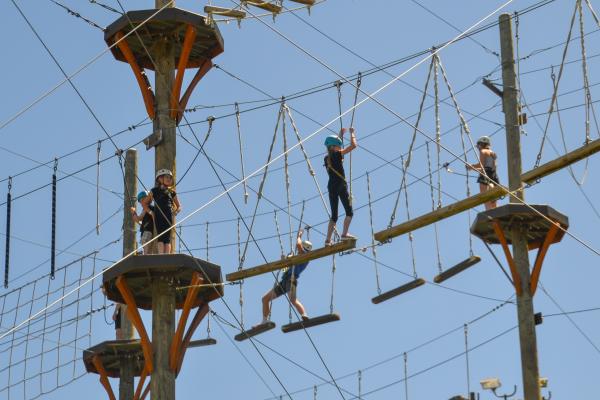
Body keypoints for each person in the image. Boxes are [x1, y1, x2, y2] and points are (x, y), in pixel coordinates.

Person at [256, 230, 313, 326]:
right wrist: (284, 261)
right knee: (265, 299)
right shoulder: (297, 258)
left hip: (291, 280)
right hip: (284, 282)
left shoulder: (305, 257)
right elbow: (285, 271)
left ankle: (304, 315)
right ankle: (265, 320)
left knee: (293, 300)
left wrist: (299, 236)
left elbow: (298, 245)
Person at [324, 127, 358, 246]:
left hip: (331, 187)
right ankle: (344, 233)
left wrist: (340, 135)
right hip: (340, 185)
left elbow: (337, 151)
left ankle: (328, 240)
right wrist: (352, 133)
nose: (340, 147)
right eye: (339, 145)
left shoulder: (327, 158)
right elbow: (354, 145)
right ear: (334, 146)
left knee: (334, 215)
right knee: (349, 212)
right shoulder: (338, 154)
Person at [142, 169, 181, 254]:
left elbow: (179, 206)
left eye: (170, 178)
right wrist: (150, 212)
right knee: (160, 236)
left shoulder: (171, 192)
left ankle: (166, 255)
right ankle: (161, 254)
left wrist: (176, 212)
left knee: (167, 237)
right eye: (166, 177)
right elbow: (145, 203)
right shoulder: (154, 191)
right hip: (158, 215)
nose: (168, 179)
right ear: (160, 179)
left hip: (168, 215)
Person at [468, 136, 499, 210]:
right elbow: (492, 166)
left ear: (481, 144)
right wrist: (473, 168)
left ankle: (488, 210)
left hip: (486, 173)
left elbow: (481, 165)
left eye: (479, 145)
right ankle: (496, 208)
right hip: (493, 174)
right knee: (493, 195)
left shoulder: (483, 151)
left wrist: (471, 166)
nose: (478, 148)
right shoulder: (492, 153)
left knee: (484, 194)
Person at [130, 190, 155, 255]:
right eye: (140, 201)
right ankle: (146, 254)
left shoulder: (147, 208)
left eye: (143, 200)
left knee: (145, 241)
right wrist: (133, 213)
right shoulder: (146, 209)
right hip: (146, 229)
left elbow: (139, 218)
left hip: (148, 229)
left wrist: (134, 213)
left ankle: (146, 254)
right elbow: (138, 220)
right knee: (146, 243)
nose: (141, 203)